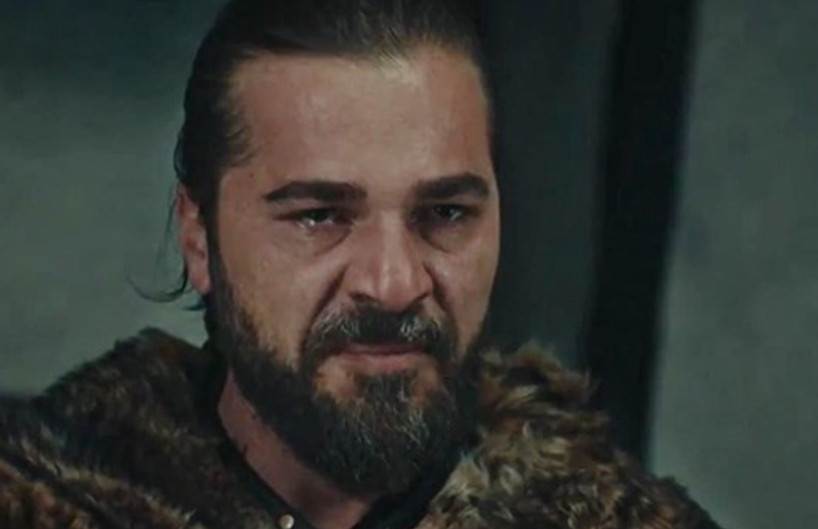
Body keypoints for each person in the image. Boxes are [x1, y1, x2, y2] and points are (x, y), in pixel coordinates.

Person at [0, 1, 718, 528]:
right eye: (320, 216)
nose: (394, 283)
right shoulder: (49, 499)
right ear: (199, 237)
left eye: (445, 213)